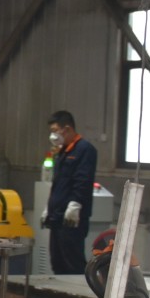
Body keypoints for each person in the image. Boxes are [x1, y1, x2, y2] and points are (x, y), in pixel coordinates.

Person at [44, 109, 98, 276]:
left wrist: (75, 204)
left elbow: (82, 181)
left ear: (66, 129)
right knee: (57, 262)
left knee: (73, 264)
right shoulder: (63, 152)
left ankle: (79, 292)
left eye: (55, 131)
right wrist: (48, 208)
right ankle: (60, 294)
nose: (53, 136)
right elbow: (58, 184)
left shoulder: (85, 150)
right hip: (57, 217)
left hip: (71, 219)